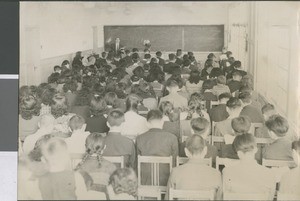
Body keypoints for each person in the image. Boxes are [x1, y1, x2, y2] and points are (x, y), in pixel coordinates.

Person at [167, 134, 222, 200]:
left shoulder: (175, 172)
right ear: (205, 151)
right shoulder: (216, 174)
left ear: (186, 152)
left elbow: (167, 198)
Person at [222, 134, 277, 199]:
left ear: (238, 153)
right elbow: (270, 198)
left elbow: (224, 197)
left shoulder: (227, 172)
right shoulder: (270, 174)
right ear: (255, 150)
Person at [136, 110, 179, 186]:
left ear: (147, 124)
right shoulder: (172, 138)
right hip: (166, 180)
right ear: (162, 122)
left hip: (145, 181)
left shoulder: (139, 138)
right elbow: (175, 163)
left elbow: (136, 163)